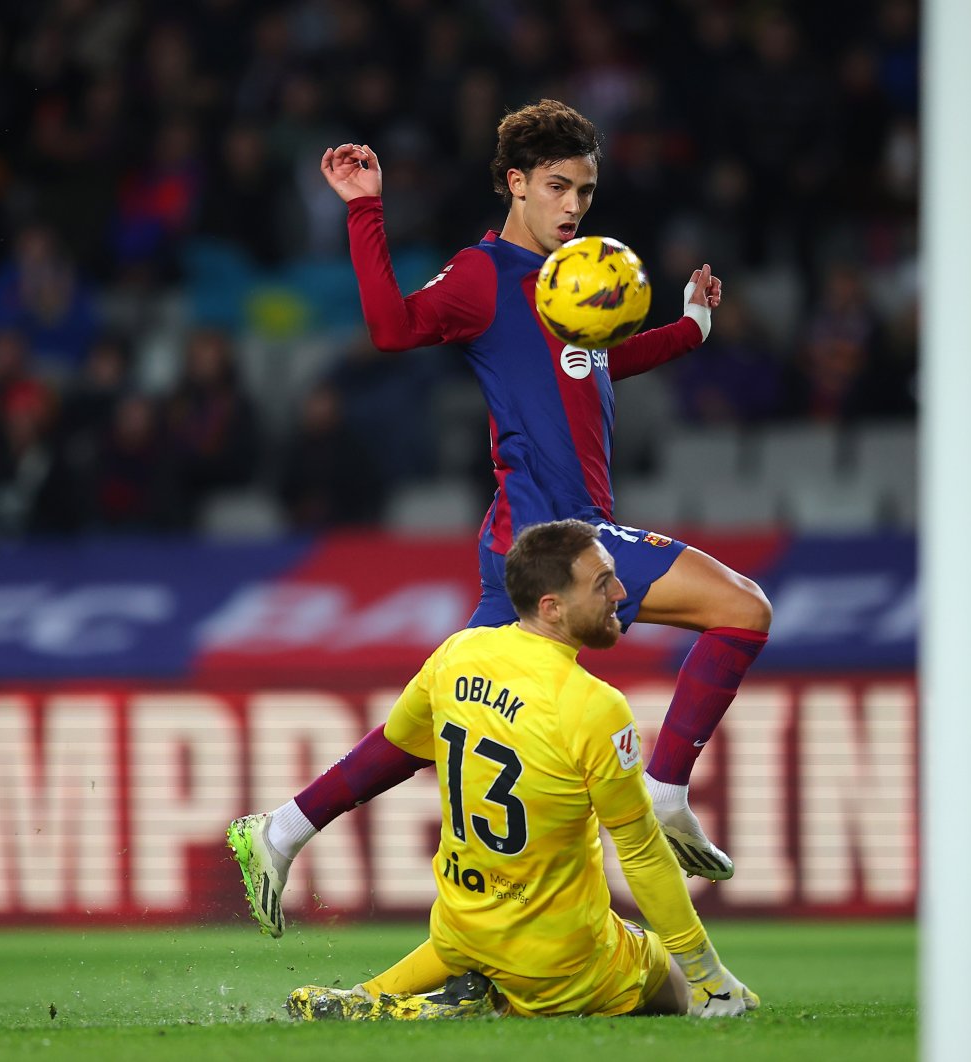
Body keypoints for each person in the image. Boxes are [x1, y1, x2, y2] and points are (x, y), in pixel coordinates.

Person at [231, 99, 773, 938]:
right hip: (551, 541)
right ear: (516, 184)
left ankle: (281, 828)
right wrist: (366, 208)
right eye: (557, 187)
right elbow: (391, 327)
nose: (572, 207)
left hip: (533, 543)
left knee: (436, 713)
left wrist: (690, 328)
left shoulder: (573, 283)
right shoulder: (485, 276)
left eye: (585, 192)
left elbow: (597, 362)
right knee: (743, 609)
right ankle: (664, 788)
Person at [233, 519, 757, 1021]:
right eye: (602, 584)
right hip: (562, 959)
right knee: (690, 984)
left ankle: (370, 997)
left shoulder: (456, 655)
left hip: (464, 928)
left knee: (483, 937)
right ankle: (461, 1006)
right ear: (551, 607)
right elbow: (642, 855)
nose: (622, 592)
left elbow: (395, 744)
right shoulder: (596, 707)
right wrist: (706, 975)